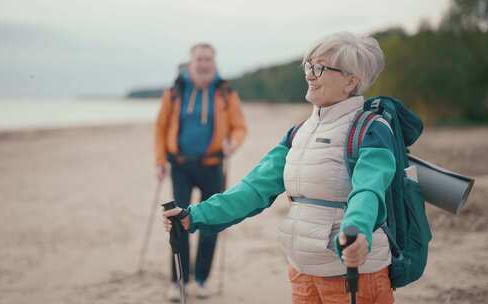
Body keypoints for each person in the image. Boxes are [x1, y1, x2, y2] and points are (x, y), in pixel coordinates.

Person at [163, 32, 397, 304]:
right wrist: (195, 216)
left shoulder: (371, 130)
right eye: (309, 65)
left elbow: (368, 190)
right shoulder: (298, 133)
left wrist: (357, 230)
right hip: (302, 273)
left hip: (354, 275)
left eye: (320, 67)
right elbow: (253, 189)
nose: (310, 74)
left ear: (351, 81)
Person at [154, 43, 247, 301]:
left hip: (212, 166)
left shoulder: (225, 92)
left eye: (208, 59)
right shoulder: (175, 92)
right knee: (177, 222)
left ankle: (203, 279)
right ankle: (179, 280)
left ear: (214, 63)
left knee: (211, 222)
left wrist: (233, 143)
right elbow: (160, 128)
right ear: (191, 62)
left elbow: (240, 127)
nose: (204, 64)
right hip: (180, 166)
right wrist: (160, 161)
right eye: (199, 59)